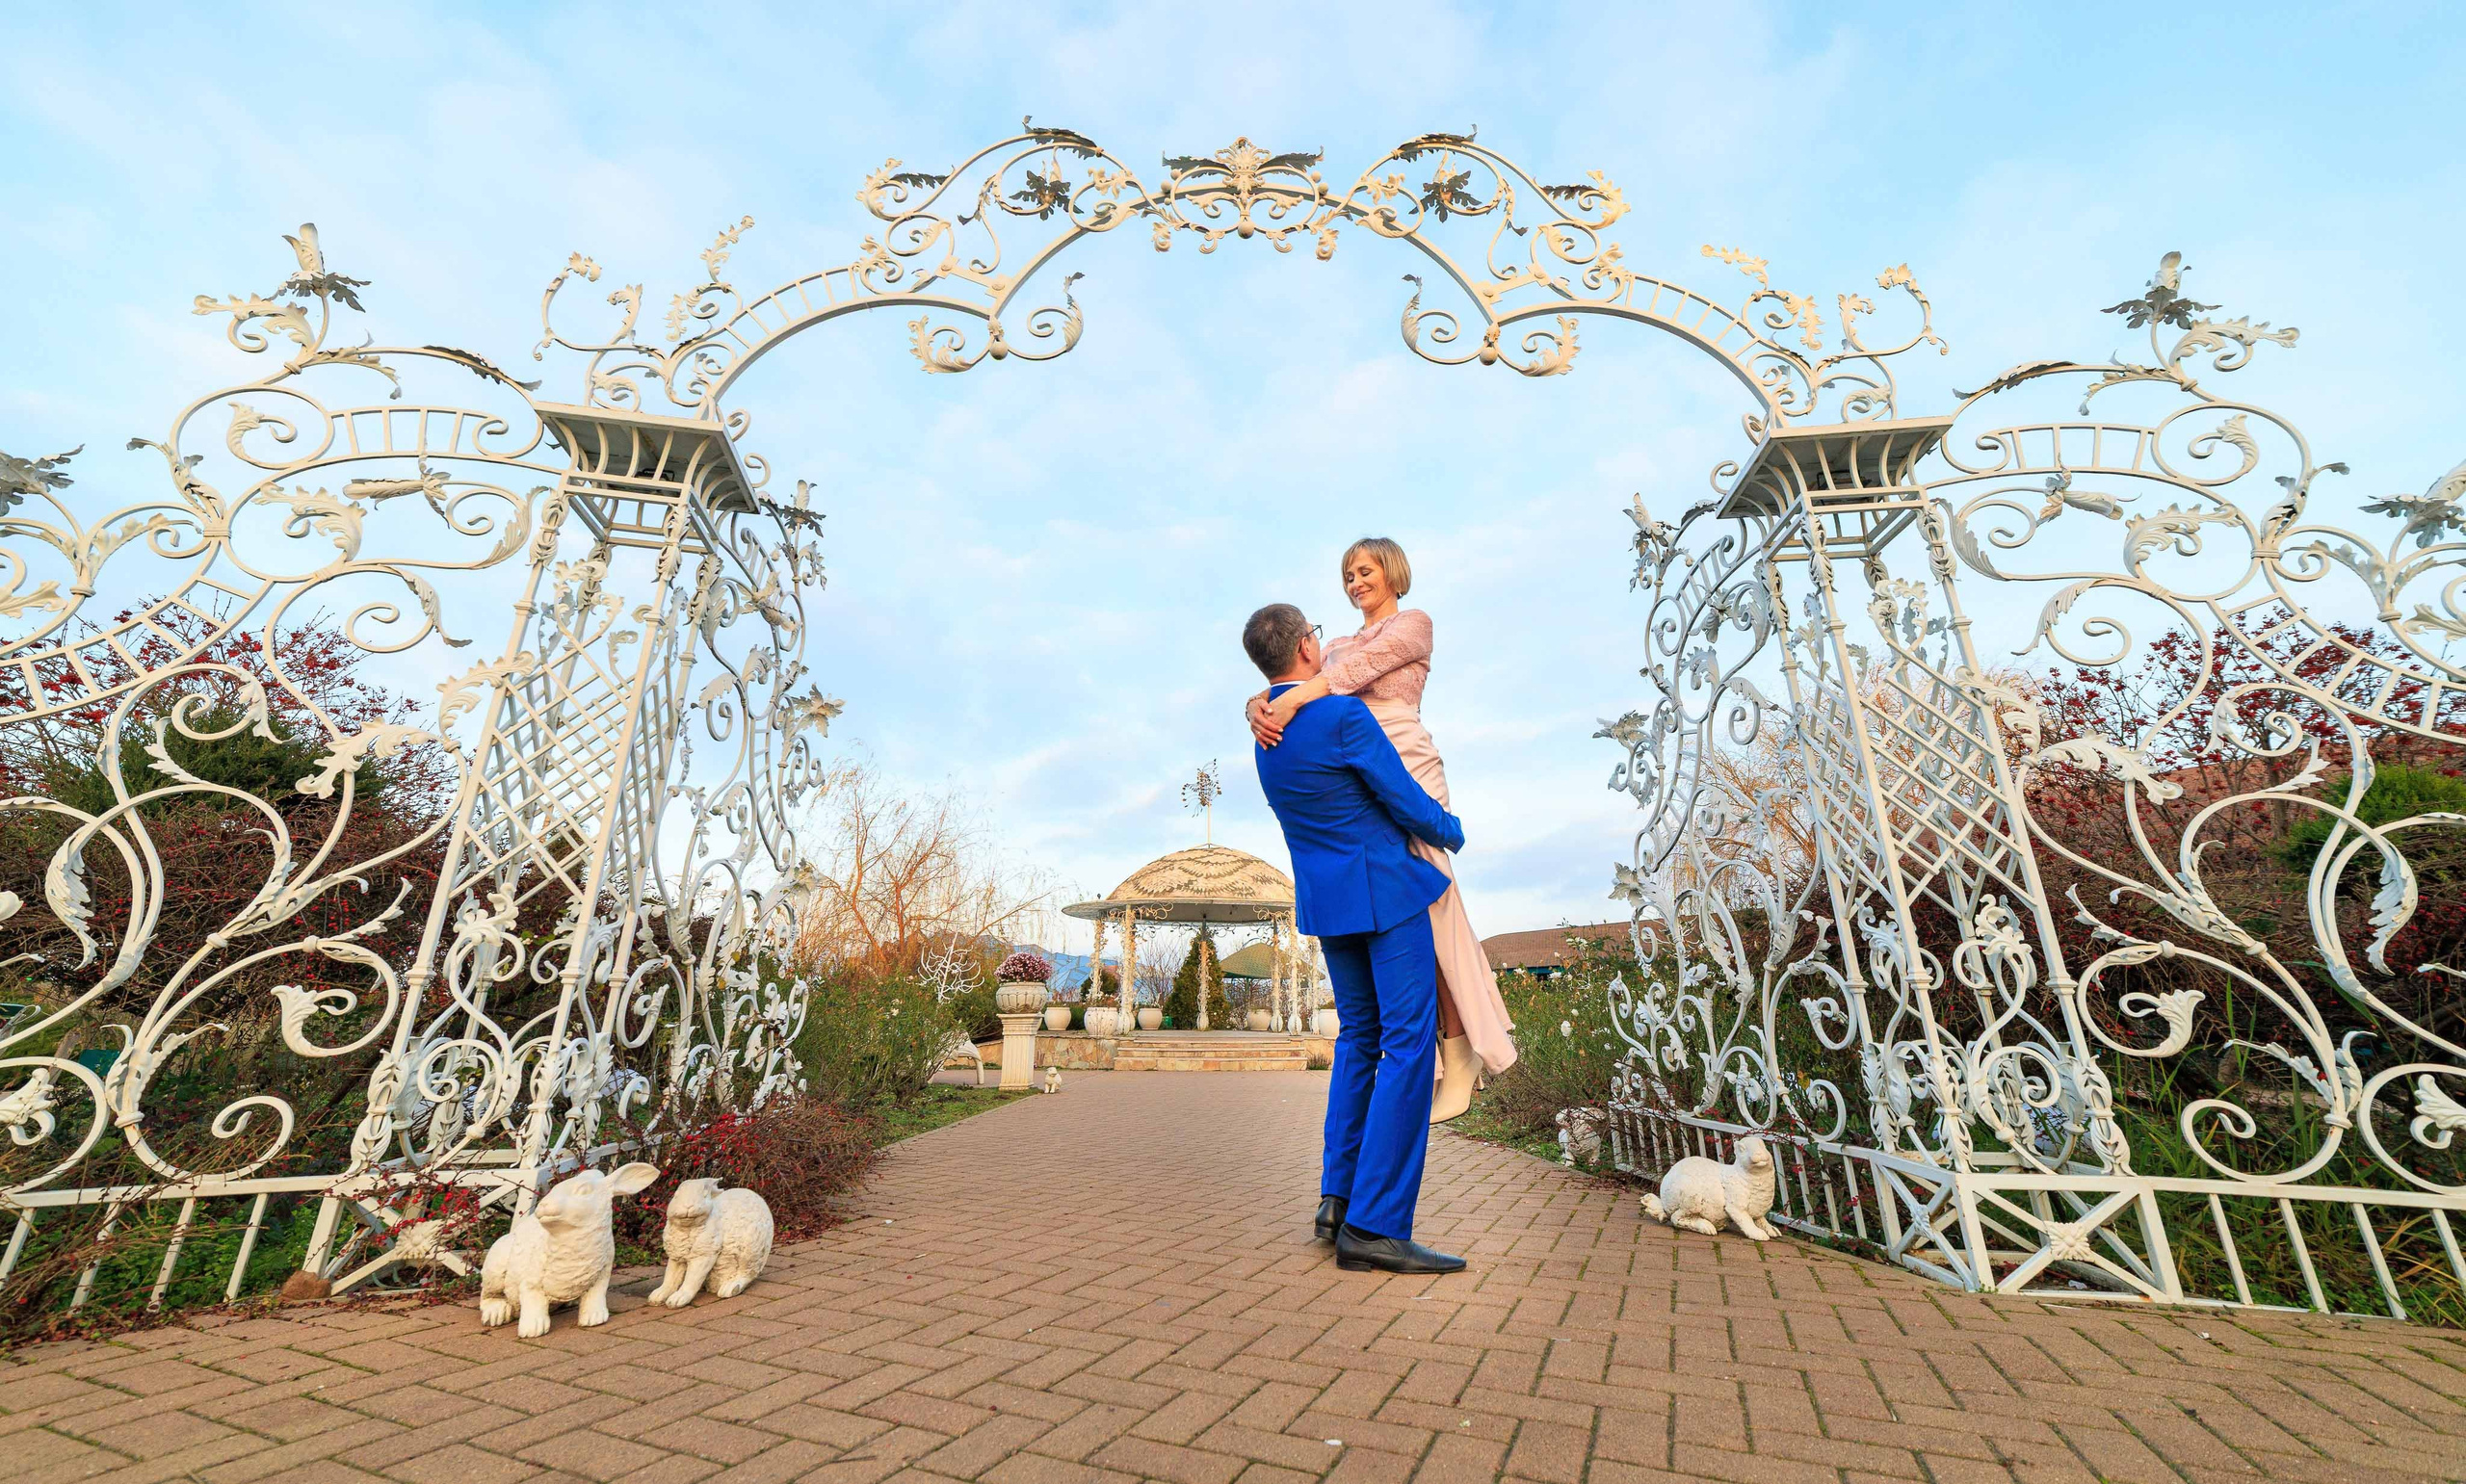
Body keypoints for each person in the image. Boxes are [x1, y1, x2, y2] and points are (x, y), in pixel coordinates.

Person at [1247, 537, 1515, 1123]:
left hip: (1409, 762)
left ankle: (1463, 1047)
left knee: (1434, 903)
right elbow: (1298, 678)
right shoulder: (1335, 644)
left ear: (1392, 572)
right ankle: (1456, 1048)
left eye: (1364, 571)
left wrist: (1285, 705)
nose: (1354, 582)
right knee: (1415, 912)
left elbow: (1350, 679)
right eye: (1346, 575)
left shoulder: (1414, 625)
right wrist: (1259, 705)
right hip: (1363, 769)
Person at [1244, 602, 1468, 1275]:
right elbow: (1401, 797)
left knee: (1359, 1040)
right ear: (1308, 648)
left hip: (1329, 903)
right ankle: (1376, 1225)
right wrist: (1450, 829)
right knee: (1405, 1043)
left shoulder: (1264, 736)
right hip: (1386, 893)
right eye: (1316, 631)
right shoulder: (1342, 716)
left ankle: (1336, 1202)